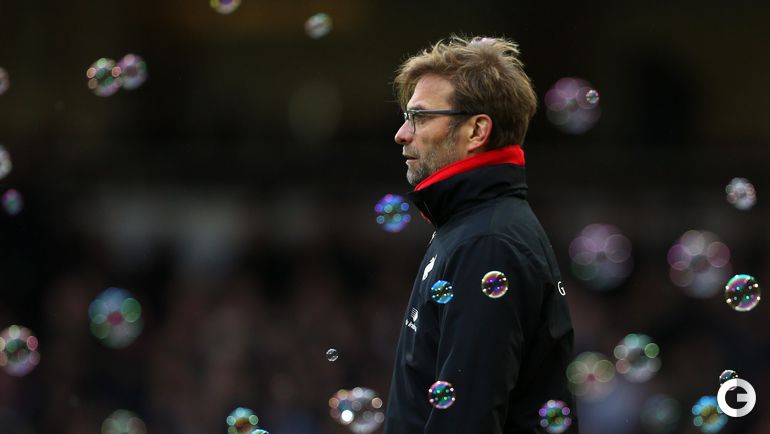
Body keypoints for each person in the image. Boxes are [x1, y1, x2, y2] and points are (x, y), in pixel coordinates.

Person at [383, 35, 578, 434]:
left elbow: (466, 420)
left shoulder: (487, 244)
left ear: (476, 130)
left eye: (420, 116)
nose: (402, 133)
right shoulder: (471, 228)